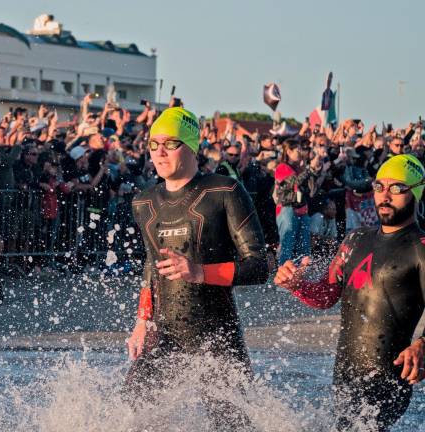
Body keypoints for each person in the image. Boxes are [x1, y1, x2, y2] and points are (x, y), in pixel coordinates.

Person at [124, 107, 268, 427]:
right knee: (131, 413)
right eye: (153, 144)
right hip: (167, 334)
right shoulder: (144, 202)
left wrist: (200, 273)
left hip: (217, 336)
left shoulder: (224, 191)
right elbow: (151, 265)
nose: (159, 152)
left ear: (191, 147)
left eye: (170, 143)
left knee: (232, 424)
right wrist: (142, 321)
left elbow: (259, 266)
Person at [274, 154, 425, 431]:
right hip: (345, 376)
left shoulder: (420, 248)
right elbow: (326, 295)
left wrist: (421, 345)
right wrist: (296, 286)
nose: (385, 196)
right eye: (379, 186)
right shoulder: (355, 239)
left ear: (416, 192)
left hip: (388, 380)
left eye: (397, 188)